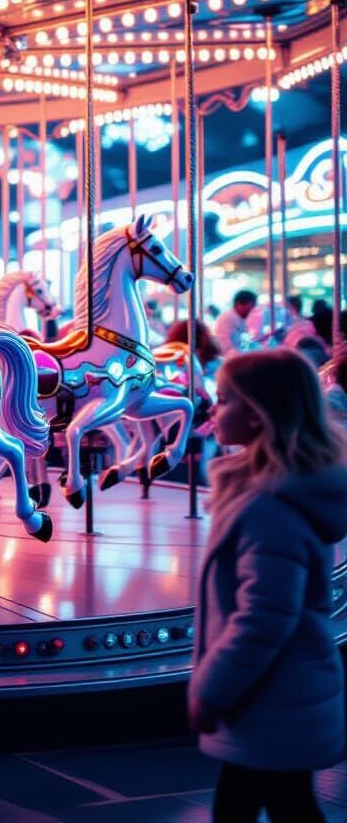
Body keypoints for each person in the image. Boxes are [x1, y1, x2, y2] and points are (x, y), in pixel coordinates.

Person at [189, 348, 347, 822]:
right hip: (281, 696)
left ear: (256, 416)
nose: (213, 410)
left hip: (270, 696)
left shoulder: (269, 508)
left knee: (257, 806)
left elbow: (264, 617)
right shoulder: (268, 493)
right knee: (283, 802)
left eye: (223, 400)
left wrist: (212, 690)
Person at [213, 289, 257, 356]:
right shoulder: (227, 318)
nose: (252, 310)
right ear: (238, 304)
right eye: (250, 307)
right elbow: (225, 347)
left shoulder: (242, 318)